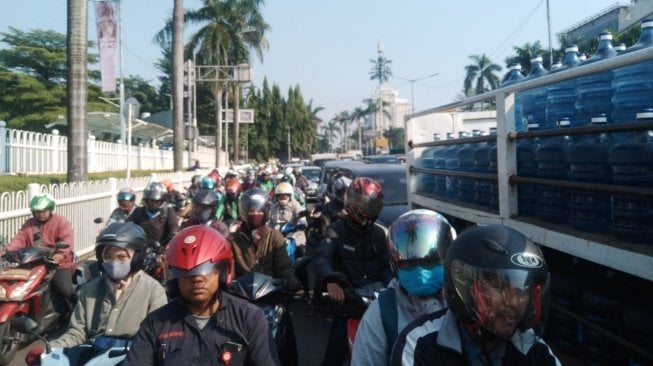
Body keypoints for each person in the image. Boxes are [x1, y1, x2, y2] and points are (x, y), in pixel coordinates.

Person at [389, 225, 561, 366]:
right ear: (466, 288)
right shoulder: (419, 344)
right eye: (500, 287)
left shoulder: (532, 348)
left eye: (521, 290)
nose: (513, 302)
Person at [125, 225, 280, 365]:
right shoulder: (155, 324)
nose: (197, 279)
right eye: (185, 273)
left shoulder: (249, 318)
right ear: (174, 279)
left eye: (206, 270)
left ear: (223, 272)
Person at [25, 222, 168, 364]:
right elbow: (77, 333)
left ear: (136, 258)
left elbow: (157, 341)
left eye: (121, 257)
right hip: (93, 358)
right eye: (109, 256)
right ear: (101, 259)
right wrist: (49, 349)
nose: (114, 262)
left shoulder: (153, 292)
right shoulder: (90, 290)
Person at [351, 209, 456, 365]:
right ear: (395, 265)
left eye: (428, 261)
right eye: (408, 263)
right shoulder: (383, 312)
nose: (419, 271)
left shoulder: (463, 302)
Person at [313, 177, 393, 366]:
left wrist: (394, 285)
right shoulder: (336, 230)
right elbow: (322, 257)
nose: (367, 210)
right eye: (363, 205)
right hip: (349, 306)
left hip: (378, 307)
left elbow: (387, 266)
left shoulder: (379, 234)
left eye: (372, 206)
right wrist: (331, 279)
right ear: (351, 202)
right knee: (332, 359)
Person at [6, 193, 76, 315]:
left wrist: (60, 253)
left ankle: (76, 314)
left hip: (58, 262)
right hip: (34, 261)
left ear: (50, 210)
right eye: (38, 211)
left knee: (64, 288)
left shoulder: (61, 222)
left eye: (44, 211)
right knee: (17, 286)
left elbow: (67, 240)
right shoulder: (29, 223)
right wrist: (7, 250)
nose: (41, 214)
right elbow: (19, 239)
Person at [227, 187, 302, 291]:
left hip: (270, 291)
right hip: (243, 293)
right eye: (251, 211)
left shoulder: (275, 236)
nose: (255, 214)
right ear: (244, 212)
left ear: (266, 212)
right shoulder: (233, 239)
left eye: (259, 211)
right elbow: (229, 268)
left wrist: (291, 280)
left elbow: (283, 265)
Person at [127, 181, 179, 246]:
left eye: (157, 201)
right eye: (151, 200)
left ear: (162, 200)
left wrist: (171, 241)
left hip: (161, 250)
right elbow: (127, 226)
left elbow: (174, 226)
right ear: (146, 200)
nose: (154, 203)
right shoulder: (138, 211)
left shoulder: (168, 211)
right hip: (140, 248)